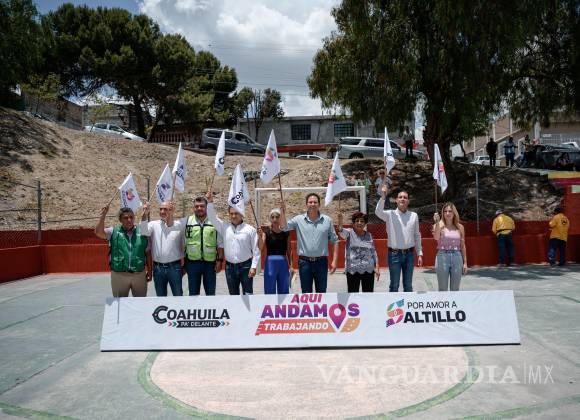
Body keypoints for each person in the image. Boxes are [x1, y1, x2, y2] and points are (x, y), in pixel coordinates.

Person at [280, 193, 339, 293]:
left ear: (319, 204)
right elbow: (283, 227)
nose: (312, 204)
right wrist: (282, 211)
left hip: (321, 263)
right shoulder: (298, 220)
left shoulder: (327, 220)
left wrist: (335, 261)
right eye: (310, 202)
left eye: (315, 202)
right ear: (306, 204)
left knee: (322, 293)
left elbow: (335, 240)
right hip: (304, 263)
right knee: (306, 294)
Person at [206, 191, 260, 295]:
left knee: (248, 295)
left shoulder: (250, 230)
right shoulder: (224, 227)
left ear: (242, 214)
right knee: (233, 296)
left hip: (246, 267)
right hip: (230, 268)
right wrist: (210, 202)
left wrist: (253, 267)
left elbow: (256, 249)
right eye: (231, 214)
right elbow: (212, 218)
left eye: (236, 213)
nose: (233, 216)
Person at [375, 184, 423, 292]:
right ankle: (394, 305)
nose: (402, 199)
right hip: (394, 255)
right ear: (396, 200)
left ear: (408, 201)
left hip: (409, 255)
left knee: (408, 286)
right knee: (394, 285)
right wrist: (383, 197)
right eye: (400, 197)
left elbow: (417, 235)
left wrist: (419, 253)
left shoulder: (414, 216)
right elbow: (378, 212)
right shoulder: (389, 214)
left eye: (405, 197)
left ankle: (407, 304)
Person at [95, 205, 150, 297]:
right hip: (119, 275)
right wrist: (103, 215)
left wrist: (150, 271)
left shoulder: (142, 231)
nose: (129, 220)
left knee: (140, 303)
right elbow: (98, 232)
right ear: (120, 220)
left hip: (139, 274)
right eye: (125, 218)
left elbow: (147, 252)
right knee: (119, 303)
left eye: (131, 217)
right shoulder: (113, 231)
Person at [139, 201, 185, 296]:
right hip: (158, 268)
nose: (162, 211)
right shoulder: (154, 224)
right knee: (160, 297)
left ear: (172, 210)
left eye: (165, 209)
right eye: (161, 209)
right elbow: (143, 231)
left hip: (174, 268)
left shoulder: (179, 225)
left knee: (178, 296)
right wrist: (144, 215)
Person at [182, 196, 224, 296]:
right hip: (192, 264)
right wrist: (183, 264)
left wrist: (220, 261)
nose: (199, 208)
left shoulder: (214, 222)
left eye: (202, 206)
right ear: (193, 208)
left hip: (209, 264)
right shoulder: (187, 221)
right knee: (193, 294)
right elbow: (183, 244)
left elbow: (220, 244)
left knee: (210, 294)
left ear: (206, 207)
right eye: (196, 206)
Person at [337, 211, 380, 292]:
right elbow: (340, 231)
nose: (359, 223)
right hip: (352, 271)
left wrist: (377, 267)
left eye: (362, 221)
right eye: (357, 221)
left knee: (368, 296)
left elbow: (373, 252)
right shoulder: (349, 233)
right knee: (353, 296)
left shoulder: (369, 235)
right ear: (353, 223)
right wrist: (340, 220)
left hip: (368, 270)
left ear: (365, 223)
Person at [432, 203, 467, 291]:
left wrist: (465, 262)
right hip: (442, 256)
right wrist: (437, 223)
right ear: (442, 213)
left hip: (457, 256)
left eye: (450, 211)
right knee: (442, 288)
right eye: (445, 211)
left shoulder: (460, 227)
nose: (447, 213)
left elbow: (463, 245)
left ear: (454, 213)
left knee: (455, 289)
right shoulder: (438, 225)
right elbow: (436, 237)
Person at [258, 208, 292, 294]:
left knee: (284, 289)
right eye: (272, 217)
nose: (275, 219)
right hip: (270, 263)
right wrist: (260, 236)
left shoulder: (286, 233)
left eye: (277, 217)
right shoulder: (266, 232)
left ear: (280, 218)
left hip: (283, 263)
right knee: (269, 289)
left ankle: (284, 303)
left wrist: (291, 265)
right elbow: (260, 247)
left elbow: (289, 250)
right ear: (270, 219)